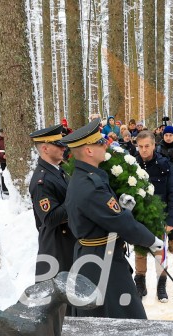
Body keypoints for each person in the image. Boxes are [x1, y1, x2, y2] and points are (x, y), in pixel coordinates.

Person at [63, 120, 163, 319]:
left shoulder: (86, 177)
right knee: (125, 318)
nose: (105, 144)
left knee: (109, 314)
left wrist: (121, 207)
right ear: (89, 151)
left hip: (97, 255)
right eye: (100, 142)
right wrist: (152, 240)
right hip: (101, 261)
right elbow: (120, 223)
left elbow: (105, 216)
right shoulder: (90, 185)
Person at [133, 131, 173, 302]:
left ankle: (161, 284)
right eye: (140, 146)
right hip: (138, 217)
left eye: (147, 146)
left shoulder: (165, 165)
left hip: (159, 217)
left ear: (154, 145)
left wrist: (171, 220)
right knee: (140, 251)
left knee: (160, 251)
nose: (144, 150)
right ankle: (140, 282)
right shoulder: (132, 165)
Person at [28, 123, 76, 279]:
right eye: (58, 145)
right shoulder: (42, 181)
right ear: (45, 148)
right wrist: (77, 200)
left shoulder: (58, 170)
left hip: (68, 243)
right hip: (57, 248)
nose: (63, 148)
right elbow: (50, 217)